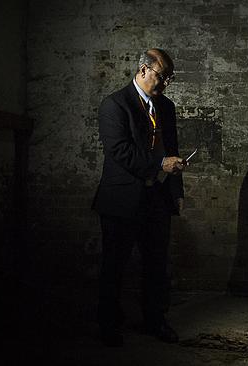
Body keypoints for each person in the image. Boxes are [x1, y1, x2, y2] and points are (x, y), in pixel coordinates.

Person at [91, 48, 185, 347]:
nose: (165, 83)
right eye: (161, 76)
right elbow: (119, 151)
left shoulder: (166, 107)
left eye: (169, 78)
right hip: (121, 201)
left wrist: (175, 187)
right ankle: (108, 324)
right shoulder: (114, 105)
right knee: (114, 266)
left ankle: (155, 320)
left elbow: (171, 147)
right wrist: (160, 164)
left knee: (157, 265)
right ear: (143, 70)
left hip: (157, 199)